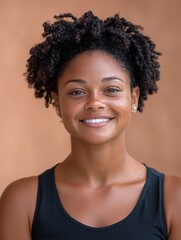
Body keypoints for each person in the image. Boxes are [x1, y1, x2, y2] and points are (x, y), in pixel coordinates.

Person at [0, 11, 180, 240]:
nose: (95, 102)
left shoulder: (173, 199)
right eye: (77, 92)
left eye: (111, 89)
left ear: (133, 98)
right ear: (57, 102)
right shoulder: (22, 202)